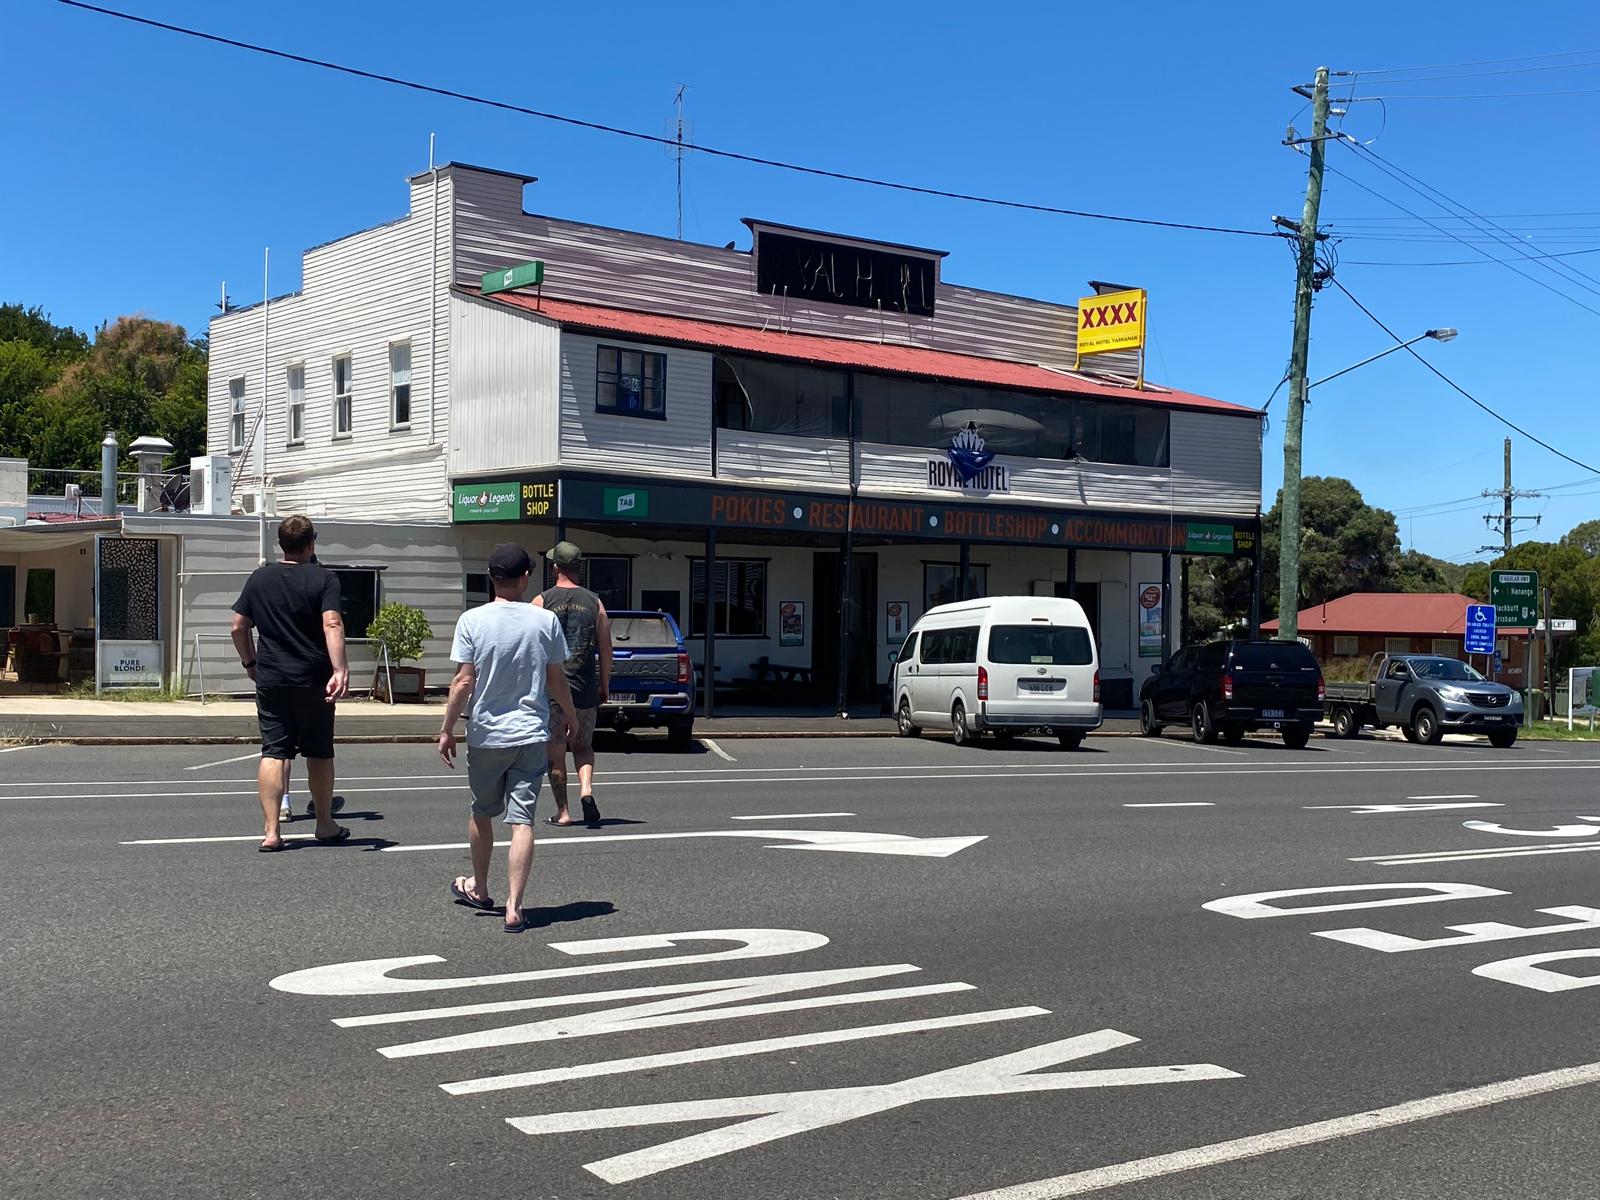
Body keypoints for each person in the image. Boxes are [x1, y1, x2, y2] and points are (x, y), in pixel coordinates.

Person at [438, 544, 577, 933]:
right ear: (525, 577)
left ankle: (481, 889)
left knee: (482, 812)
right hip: (530, 732)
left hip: (486, 734)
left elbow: (464, 680)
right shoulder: (543, 621)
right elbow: (555, 678)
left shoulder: (472, 620)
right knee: (522, 821)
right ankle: (515, 906)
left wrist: (447, 729)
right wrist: (568, 714)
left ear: (492, 578)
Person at [230, 515, 351, 852]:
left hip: (271, 676)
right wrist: (339, 669)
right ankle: (325, 823)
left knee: (274, 750)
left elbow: (238, 626)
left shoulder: (260, 578)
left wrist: (250, 662)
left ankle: (271, 831)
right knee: (319, 752)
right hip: (313, 678)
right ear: (311, 543)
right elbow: (332, 624)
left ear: (281, 544)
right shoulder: (325, 579)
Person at [533, 541, 612, 827]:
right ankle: (587, 789)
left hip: (553, 690)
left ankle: (563, 812)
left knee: (555, 753)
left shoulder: (541, 602)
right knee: (583, 745)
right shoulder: (596, 603)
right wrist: (604, 683)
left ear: (555, 567)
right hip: (585, 686)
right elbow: (605, 649)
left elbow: (531, 648)